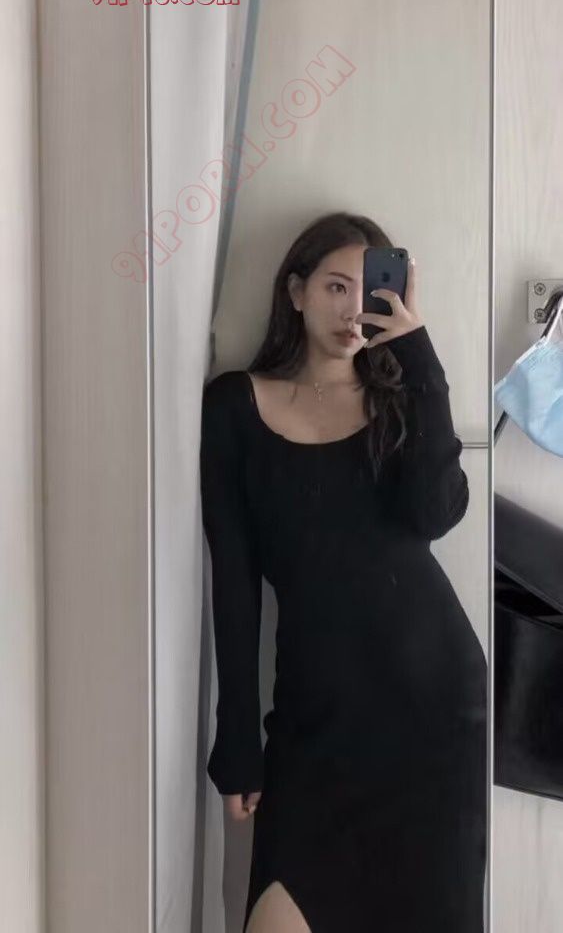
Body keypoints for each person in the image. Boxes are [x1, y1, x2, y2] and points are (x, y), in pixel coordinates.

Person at [199, 211, 487, 933]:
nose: (352, 308)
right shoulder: (234, 406)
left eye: (369, 290)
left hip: (430, 711)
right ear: (295, 291)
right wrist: (237, 738)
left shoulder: (398, 403)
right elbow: (233, 581)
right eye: (335, 286)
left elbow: (437, 512)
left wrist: (417, 355)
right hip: (314, 721)